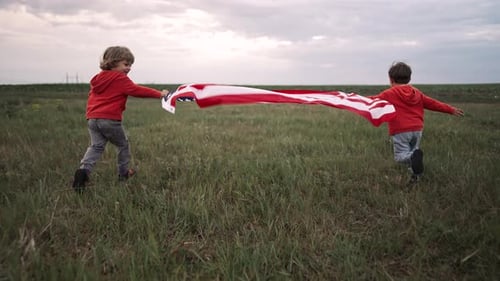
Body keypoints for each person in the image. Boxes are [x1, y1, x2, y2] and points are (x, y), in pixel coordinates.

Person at [72, 46, 169, 192]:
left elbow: (92, 98)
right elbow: (136, 90)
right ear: (113, 62)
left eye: (130, 65)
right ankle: (123, 174)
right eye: (126, 64)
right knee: (123, 145)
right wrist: (159, 94)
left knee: (96, 146)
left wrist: (94, 114)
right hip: (110, 120)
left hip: (92, 119)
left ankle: (83, 172)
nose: (129, 68)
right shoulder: (119, 78)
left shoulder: (98, 79)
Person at [369, 61, 464, 184]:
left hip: (401, 130)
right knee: (414, 153)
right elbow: (432, 103)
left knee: (401, 157)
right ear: (409, 78)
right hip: (417, 129)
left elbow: (373, 101)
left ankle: (413, 160)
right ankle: (416, 178)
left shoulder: (389, 94)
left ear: (391, 79)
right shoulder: (416, 93)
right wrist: (450, 109)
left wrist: (351, 99)